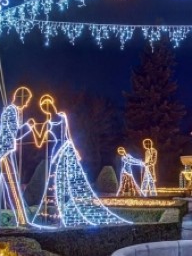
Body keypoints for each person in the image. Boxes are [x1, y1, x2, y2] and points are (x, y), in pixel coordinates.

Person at [28, 94, 126, 228]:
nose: (46, 108)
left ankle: (66, 211)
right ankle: (56, 214)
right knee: (54, 184)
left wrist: (75, 150)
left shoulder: (62, 117)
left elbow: (67, 135)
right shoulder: (47, 122)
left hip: (64, 150)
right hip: (55, 153)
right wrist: (33, 128)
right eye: (44, 107)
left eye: (47, 105)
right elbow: (40, 141)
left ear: (51, 105)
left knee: (70, 181)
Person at [0, 86, 33, 228]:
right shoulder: (11, 111)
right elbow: (13, 134)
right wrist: (27, 127)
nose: (27, 104)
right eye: (27, 100)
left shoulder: (12, 111)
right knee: (12, 188)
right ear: (21, 98)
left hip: (4, 152)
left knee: (3, 188)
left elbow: (13, 133)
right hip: (5, 153)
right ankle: (22, 221)